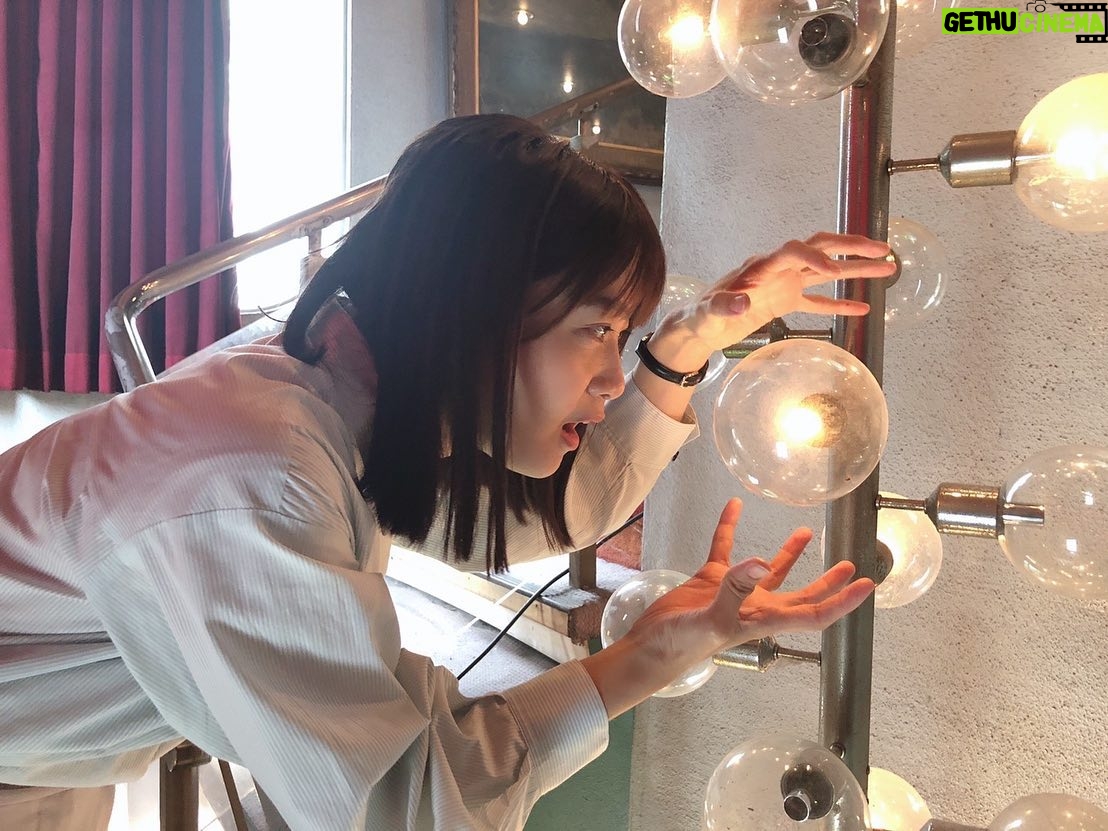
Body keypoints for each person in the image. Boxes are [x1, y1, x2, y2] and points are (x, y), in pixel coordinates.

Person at [0, 114, 895, 830]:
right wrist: (644, 657)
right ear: (477, 302)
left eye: (622, 337)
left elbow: (556, 504)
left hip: (42, 764)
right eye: (598, 330)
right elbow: (410, 806)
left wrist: (694, 338)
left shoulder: (342, 392)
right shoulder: (256, 474)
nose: (613, 378)